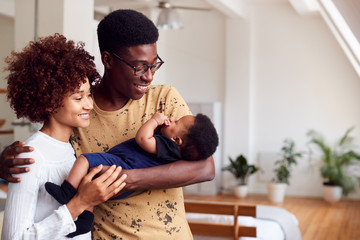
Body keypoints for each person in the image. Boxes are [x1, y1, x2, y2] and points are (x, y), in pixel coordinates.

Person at [0, 9, 215, 239]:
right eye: (140, 66)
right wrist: (7, 164)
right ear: (108, 60)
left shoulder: (164, 99)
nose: (150, 76)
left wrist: (127, 179)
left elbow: (205, 167)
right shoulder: (78, 110)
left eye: (154, 65)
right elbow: (50, 151)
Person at [1, 34, 127, 239]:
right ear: (49, 102)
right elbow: (13, 237)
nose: (89, 104)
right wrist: (80, 204)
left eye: (88, 94)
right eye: (78, 97)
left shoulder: (71, 148)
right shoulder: (30, 156)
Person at [45, 112, 218, 237]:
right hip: (124, 180)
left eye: (175, 122)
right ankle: (85, 220)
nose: (170, 119)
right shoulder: (176, 154)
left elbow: (143, 139)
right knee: (90, 178)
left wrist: (154, 120)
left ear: (177, 141)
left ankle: (66, 191)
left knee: (84, 160)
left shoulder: (167, 145)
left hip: (123, 166)